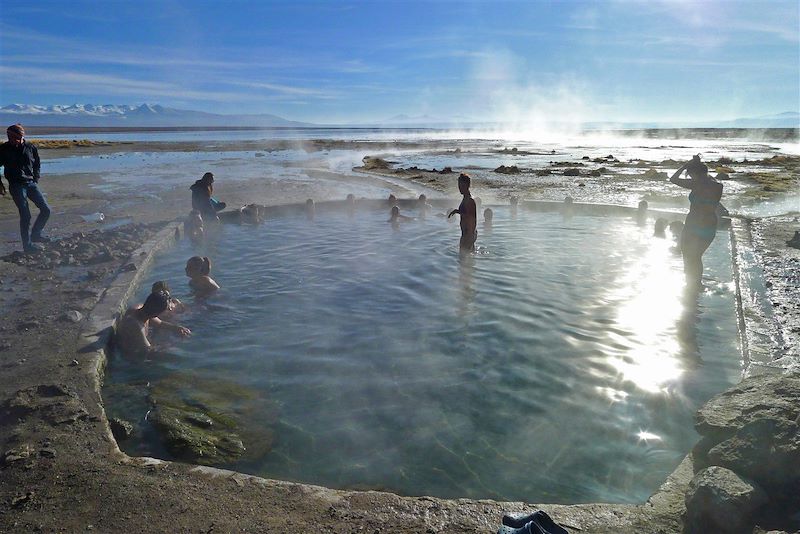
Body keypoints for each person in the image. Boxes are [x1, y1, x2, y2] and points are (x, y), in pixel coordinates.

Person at [668, 155, 723, 287]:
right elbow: (707, 182)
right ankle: (695, 284)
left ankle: (692, 285)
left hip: (694, 224)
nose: (690, 177)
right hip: (709, 224)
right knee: (696, 256)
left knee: (688, 255)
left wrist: (685, 165)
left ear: (695, 173)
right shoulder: (717, 186)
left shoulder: (695, 184)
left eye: (691, 174)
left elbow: (673, 179)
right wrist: (694, 165)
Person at [0, 124, 51, 253]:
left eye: (16, 137)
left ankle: (36, 234)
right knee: (25, 215)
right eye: (10, 137)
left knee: (46, 210)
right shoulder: (4, 149)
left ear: (22, 136)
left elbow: (37, 163)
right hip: (16, 185)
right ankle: (27, 246)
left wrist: (36, 177)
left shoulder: (30, 147)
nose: (13, 140)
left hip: (31, 183)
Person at [115, 291, 191, 357]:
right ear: (157, 312)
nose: (169, 311)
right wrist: (172, 345)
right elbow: (148, 350)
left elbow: (160, 323)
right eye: (166, 310)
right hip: (133, 358)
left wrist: (177, 328)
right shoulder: (136, 325)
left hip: (140, 347)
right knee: (173, 354)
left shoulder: (143, 311)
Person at [448, 173, 477, 251]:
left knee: (463, 259)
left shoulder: (469, 200)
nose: (460, 188)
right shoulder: (466, 198)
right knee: (465, 259)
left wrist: (469, 238)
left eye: (462, 186)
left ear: (467, 185)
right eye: (459, 186)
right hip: (467, 235)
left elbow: (471, 219)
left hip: (468, 236)